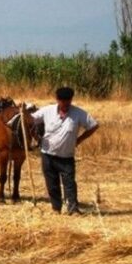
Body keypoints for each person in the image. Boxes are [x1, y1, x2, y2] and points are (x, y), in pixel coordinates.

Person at [31, 87, 99, 215]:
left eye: (68, 101)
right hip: (47, 155)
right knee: (52, 184)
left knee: (69, 183)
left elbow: (94, 125)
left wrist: (79, 140)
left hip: (66, 157)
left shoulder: (79, 114)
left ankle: (73, 209)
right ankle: (56, 208)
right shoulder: (47, 111)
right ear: (57, 100)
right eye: (62, 101)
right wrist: (24, 112)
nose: (65, 104)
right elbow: (30, 120)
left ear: (71, 100)